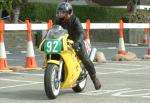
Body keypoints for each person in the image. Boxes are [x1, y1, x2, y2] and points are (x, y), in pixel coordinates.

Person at [55, 2, 101, 90]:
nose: (60, 14)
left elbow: (81, 32)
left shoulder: (75, 20)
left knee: (85, 59)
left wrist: (78, 42)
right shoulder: (58, 20)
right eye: (59, 12)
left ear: (68, 12)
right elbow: (54, 30)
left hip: (75, 42)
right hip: (63, 42)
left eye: (62, 12)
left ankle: (94, 78)